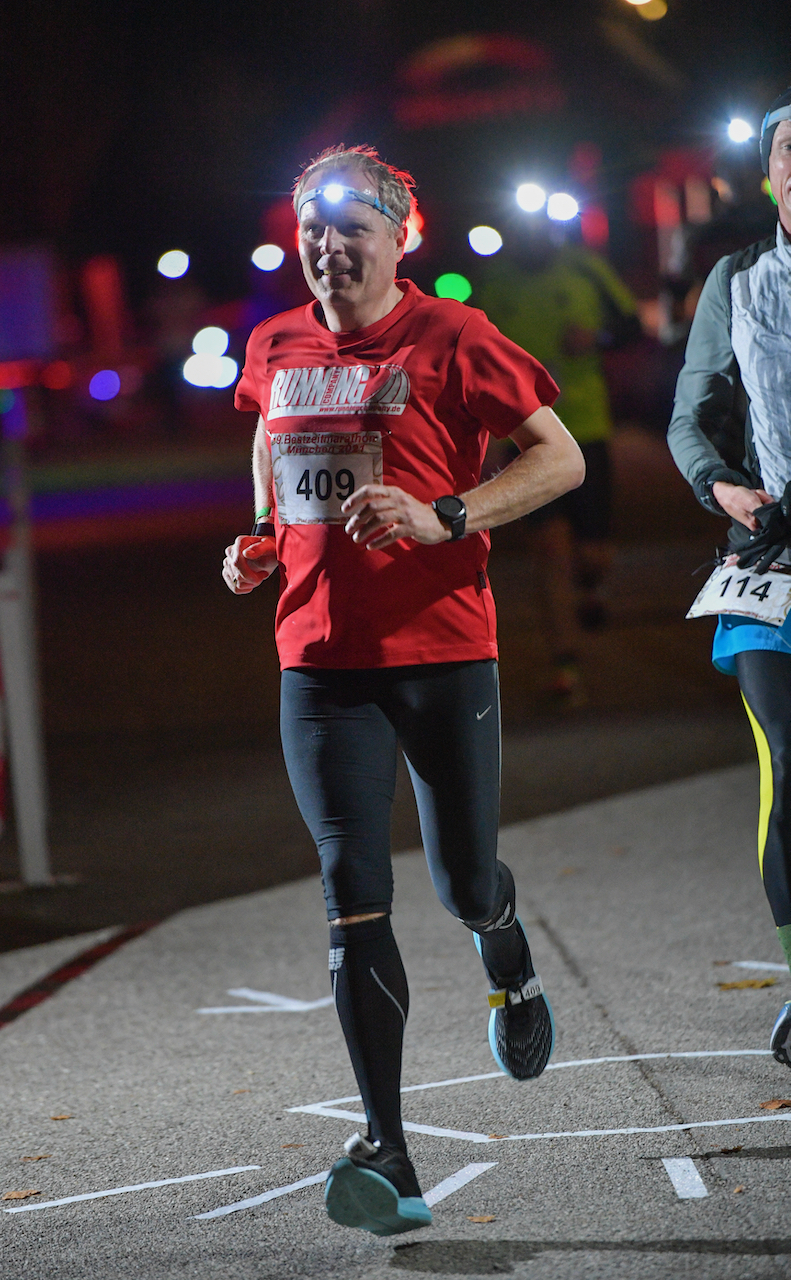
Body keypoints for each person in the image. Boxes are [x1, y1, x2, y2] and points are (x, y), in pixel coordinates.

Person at [223, 145, 585, 1236]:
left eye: (351, 232)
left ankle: (504, 950)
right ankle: (391, 1150)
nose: (328, 251)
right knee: (351, 887)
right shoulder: (275, 341)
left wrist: (448, 515)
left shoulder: (452, 337)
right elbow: (267, 436)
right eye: (312, 233)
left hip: (439, 652)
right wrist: (256, 542)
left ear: (399, 238)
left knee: (464, 877)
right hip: (319, 668)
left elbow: (558, 457)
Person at [668, 88, 791, 1070]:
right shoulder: (736, 278)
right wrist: (721, 486)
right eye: (790, 149)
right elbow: (686, 417)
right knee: (786, 762)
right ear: (768, 170)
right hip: (771, 562)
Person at [479, 216, 640, 707]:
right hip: (525, 438)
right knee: (549, 551)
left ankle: (591, 584)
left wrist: (597, 341)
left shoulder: (585, 269)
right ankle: (565, 664)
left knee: (591, 557)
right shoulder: (495, 284)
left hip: (587, 430)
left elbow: (631, 326)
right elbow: (475, 355)